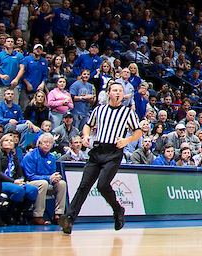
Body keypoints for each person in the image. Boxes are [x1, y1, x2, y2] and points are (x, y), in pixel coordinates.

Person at [60, 83, 145, 234]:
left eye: (120, 90)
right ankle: (69, 219)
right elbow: (88, 125)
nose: (118, 93)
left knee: (102, 185)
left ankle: (118, 210)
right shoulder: (99, 109)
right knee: (84, 186)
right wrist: (85, 136)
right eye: (115, 90)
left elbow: (138, 132)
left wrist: (126, 141)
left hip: (114, 152)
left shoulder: (127, 112)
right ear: (108, 93)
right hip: (97, 150)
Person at [22, 131, 67, 224]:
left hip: (46, 184)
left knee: (62, 183)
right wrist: (48, 178)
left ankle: (58, 215)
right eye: (45, 142)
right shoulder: (30, 156)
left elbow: (52, 174)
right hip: (30, 183)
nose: (47, 145)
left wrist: (55, 177)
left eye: (50, 143)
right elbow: (30, 176)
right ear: (39, 143)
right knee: (43, 183)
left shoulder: (51, 157)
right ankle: (37, 216)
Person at [0, 129, 38, 225]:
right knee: (19, 190)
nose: (9, 142)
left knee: (33, 190)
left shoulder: (14, 157)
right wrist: (13, 181)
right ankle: (8, 215)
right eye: (6, 140)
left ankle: (19, 213)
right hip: (0, 182)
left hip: (14, 182)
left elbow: (20, 173)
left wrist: (22, 180)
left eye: (11, 141)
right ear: (1, 143)